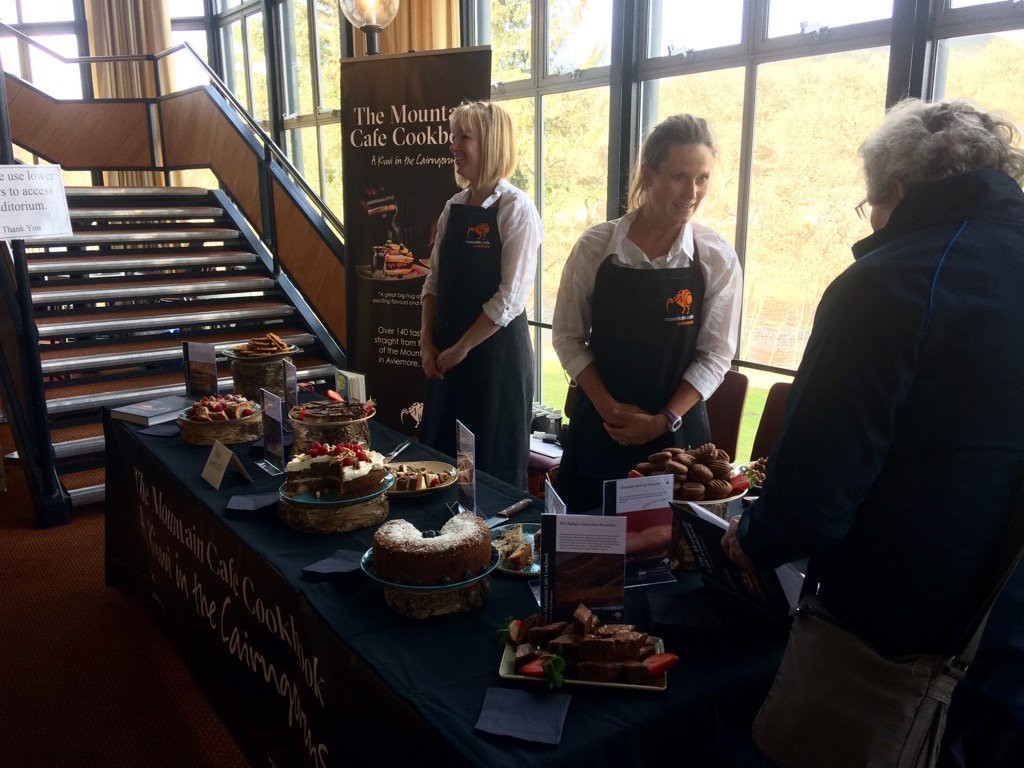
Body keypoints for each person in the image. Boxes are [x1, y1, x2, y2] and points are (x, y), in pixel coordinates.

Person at [721, 99, 1024, 766]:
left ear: (896, 190)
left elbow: (813, 496)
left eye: (871, 207)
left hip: (889, 640)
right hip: (1002, 634)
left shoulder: (885, 284)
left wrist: (754, 535)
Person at [552, 114, 742, 513]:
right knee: (586, 563)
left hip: (676, 441)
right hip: (599, 431)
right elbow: (567, 336)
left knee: (669, 562)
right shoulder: (595, 248)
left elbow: (715, 355)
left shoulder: (716, 258)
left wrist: (661, 420)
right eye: (679, 177)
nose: (692, 192)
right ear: (648, 174)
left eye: (703, 178)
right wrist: (609, 408)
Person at [419, 101, 541, 490]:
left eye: (463, 137)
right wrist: (426, 343)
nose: (453, 146)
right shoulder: (452, 207)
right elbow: (432, 282)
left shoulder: (516, 208)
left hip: (496, 361)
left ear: (490, 143)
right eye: (453, 137)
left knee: (492, 473)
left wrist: (462, 348)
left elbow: (510, 298)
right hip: (448, 358)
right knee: (440, 466)